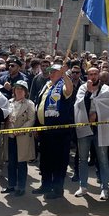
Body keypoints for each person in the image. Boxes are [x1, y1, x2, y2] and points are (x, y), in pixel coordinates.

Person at [33, 62, 74, 199]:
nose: (50, 73)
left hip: (59, 132)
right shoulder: (47, 85)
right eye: (50, 71)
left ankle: (57, 189)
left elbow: (69, 90)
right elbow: (40, 105)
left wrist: (65, 76)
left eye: (54, 72)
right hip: (45, 130)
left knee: (58, 161)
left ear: (61, 73)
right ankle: (46, 185)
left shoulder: (62, 85)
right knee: (45, 160)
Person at [73, 67, 109, 200]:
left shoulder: (105, 89)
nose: (93, 76)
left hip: (100, 128)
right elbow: (78, 105)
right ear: (87, 76)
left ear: (99, 75)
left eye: (95, 74)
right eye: (91, 74)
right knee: (83, 159)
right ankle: (83, 186)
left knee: (103, 159)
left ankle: (105, 188)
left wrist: (96, 114)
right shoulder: (82, 88)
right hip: (85, 128)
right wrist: (88, 93)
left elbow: (107, 107)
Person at [2, 81, 35, 195]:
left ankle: (21, 187)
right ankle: (11, 185)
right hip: (10, 136)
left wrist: (20, 130)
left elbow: (31, 119)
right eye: (17, 89)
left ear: (25, 92)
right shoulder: (9, 102)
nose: (19, 91)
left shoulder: (29, 103)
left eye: (22, 89)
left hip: (22, 137)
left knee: (21, 163)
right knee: (11, 163)